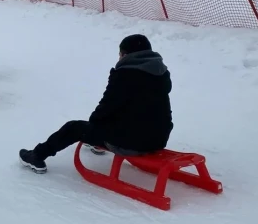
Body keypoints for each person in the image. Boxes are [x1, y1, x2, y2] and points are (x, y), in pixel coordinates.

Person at [19, 35, 173, 174]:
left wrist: (93, 127)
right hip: (158, 139)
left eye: (119, 54)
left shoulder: (125, 74)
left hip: (131, 143)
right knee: (132, 114)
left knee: (73, 127)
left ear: (125, 55)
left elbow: (107, 107)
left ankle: (36, 155)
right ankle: (97, 140)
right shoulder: (160, 74)